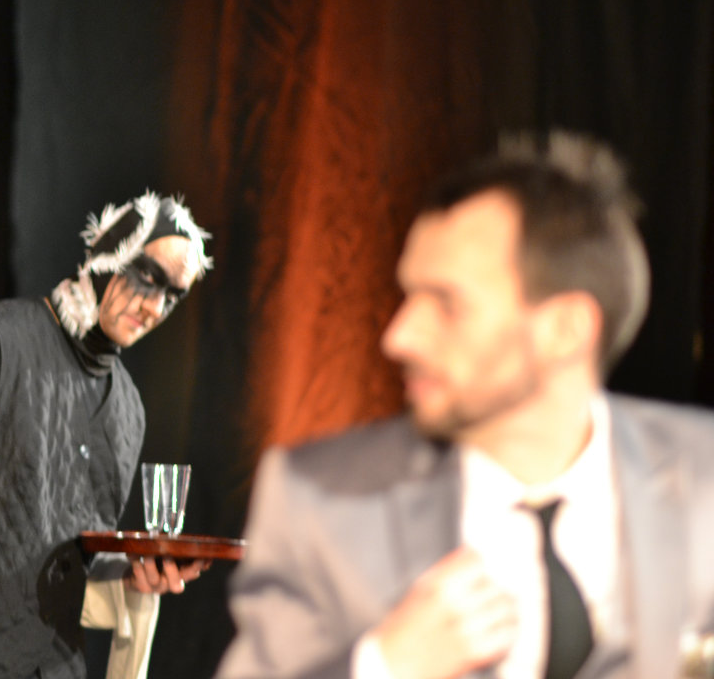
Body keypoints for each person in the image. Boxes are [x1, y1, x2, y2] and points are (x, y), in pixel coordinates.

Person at [216, 131, 714, 679]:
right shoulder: (316, 499)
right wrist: (384, 667)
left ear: (566, 329)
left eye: (447, 304)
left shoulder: (704, 476)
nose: (399, 336)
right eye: (408, 296)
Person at [0, 190, 214, 679]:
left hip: (53, 664)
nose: (154, 307)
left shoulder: (128, 408)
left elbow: (77, 551)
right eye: (147, 277)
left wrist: (136, 574)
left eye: (172, 295)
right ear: (108, 256)